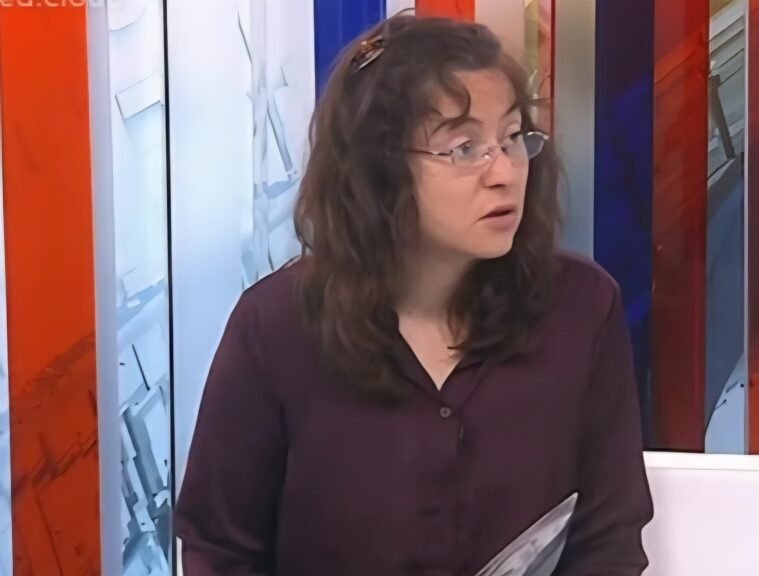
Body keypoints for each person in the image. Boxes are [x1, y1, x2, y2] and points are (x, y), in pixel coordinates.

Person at [174, 13, 653, 575]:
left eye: (512, 138)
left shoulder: (581, 308)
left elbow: (608, 541)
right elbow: (220, 552)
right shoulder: (275, 326)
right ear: (379, 170)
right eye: (465, 148)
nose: (505, 173)